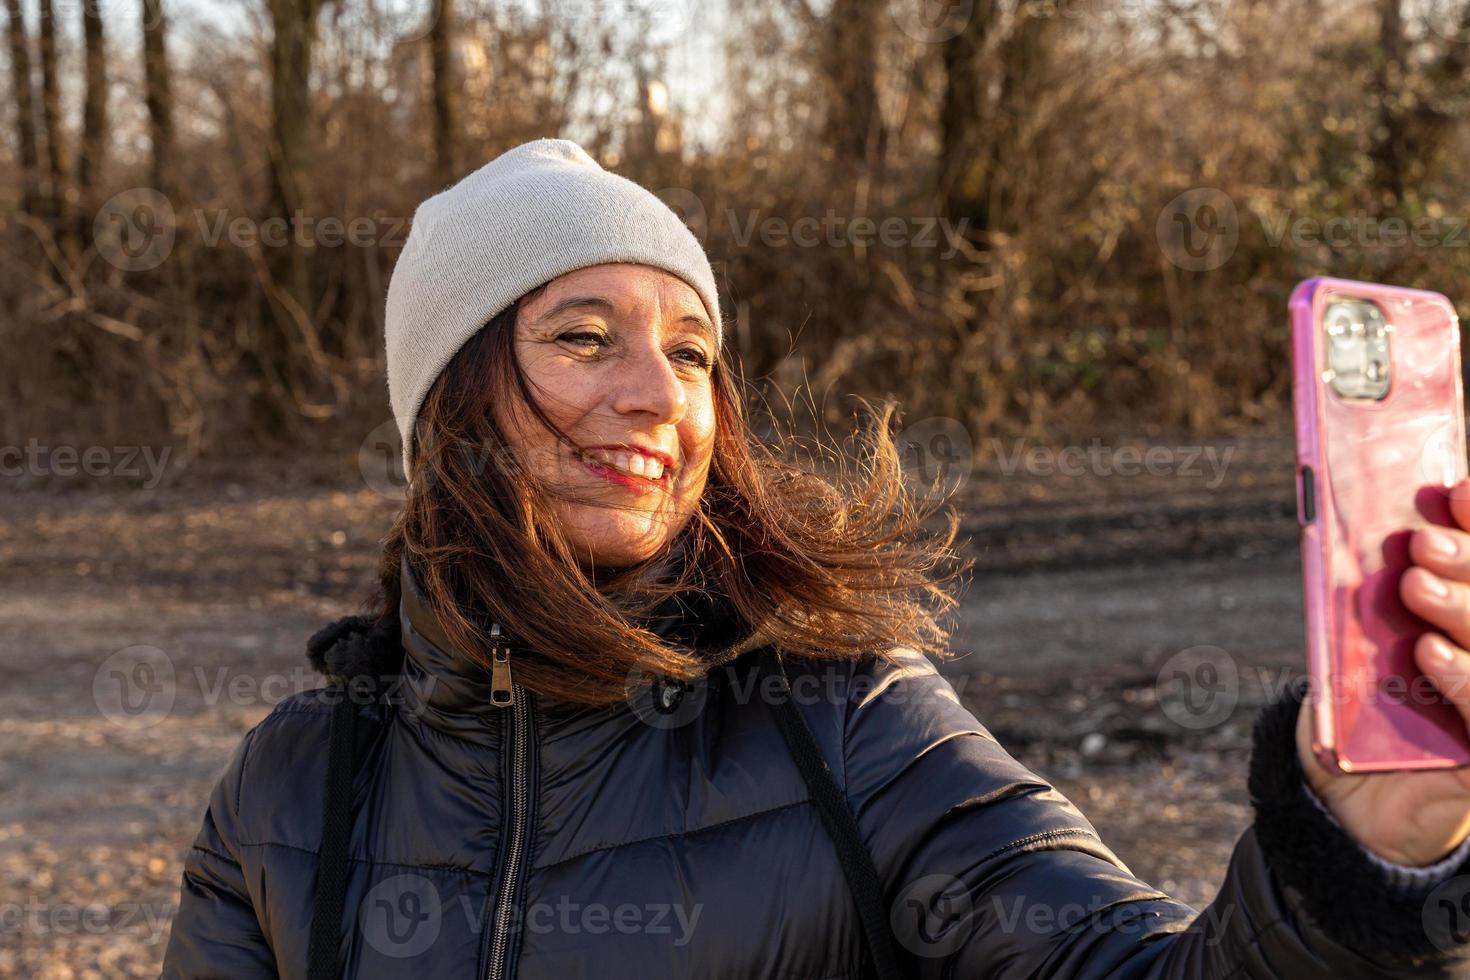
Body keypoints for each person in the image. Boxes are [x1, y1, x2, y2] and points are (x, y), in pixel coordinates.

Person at [160, 139, 1470, 979]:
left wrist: (1351, 861)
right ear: (448, 405)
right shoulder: (297, 780)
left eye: (688, 353)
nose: (654, 395)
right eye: (580, 338)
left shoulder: (846, 717)